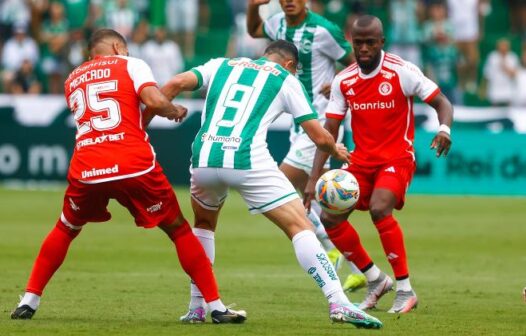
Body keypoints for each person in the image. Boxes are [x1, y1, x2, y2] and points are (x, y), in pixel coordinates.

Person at [10, 29, 246, 324]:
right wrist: (173, 110)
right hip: (133, 162)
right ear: (118, 46)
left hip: (87, 167)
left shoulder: (72, 78)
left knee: (66, 227)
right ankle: (216, 307)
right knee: (179, 229)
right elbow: (154, 100)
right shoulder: (131, 64)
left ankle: (29, 301)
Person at [160, 40, 383, 328]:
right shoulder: (286, 79)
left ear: (266, 54)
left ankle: (197, 307)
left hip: (203, 158)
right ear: (291, 65)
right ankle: (339, 302)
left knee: (203, 225)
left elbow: (176, 81)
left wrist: (162, 109)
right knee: (300, 225)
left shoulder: (222, 64)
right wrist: (336, 149)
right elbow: (319, 135)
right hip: (245, 159)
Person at [304, 15, 453, 314]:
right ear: (352, 43)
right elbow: (328, 131)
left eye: (370, 42)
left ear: (381, 42)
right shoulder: (344, 80)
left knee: (379, 207)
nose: (364, 49)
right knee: (329, 216)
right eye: (358, 43)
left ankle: (405, 289)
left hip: (397, 158)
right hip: (361, 162)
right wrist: (313, 177)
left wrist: (443, 129)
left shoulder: (402, 71)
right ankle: (375, 279)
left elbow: (442, 103)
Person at [247, 0, 366, 292]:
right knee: (315, 199)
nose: (288, 1)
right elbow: (253, 31)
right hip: (296, 122)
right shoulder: (277, 24)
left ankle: (333, 248)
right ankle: (356, 265)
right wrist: (252, 7)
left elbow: (357, 64)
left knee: (279, 183)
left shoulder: (324, 30)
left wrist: (338, 82)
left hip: (322, 121)